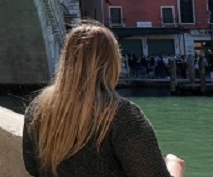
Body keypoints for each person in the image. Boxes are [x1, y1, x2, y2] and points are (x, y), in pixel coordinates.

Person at [23, 22, 186, 177]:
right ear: (112, 63)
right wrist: (173, 165)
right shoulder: (123, 115)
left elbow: (32, 166)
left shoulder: (36, 109)